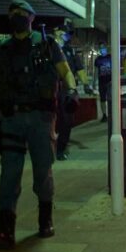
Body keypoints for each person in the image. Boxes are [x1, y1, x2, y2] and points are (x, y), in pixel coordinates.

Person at [0, 0, 79, 249]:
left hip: (40, 118)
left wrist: (72, 90)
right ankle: (6, 231)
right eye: (12, 12)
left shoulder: (46, 43)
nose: (16, 15)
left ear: (32, 17)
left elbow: (65, 70)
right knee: (9, 173)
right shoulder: (2, 48)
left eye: (21, 12)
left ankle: (45, 222)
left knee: (42, 171)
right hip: (11, 119)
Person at [53, 24, 93, 160]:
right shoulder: (47, 48)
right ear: (57, 32)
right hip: (49, 88)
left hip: (66, 90)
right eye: (66, 33)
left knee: (67, 120)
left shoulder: (70, 51)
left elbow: (80, 69)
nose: (68, 36)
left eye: (69, 34)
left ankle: (60, 149)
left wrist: (86, 84)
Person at [93, 42, 112, 122]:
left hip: (110, 81)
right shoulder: (98, 59)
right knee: (103, 99)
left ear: (106, 48)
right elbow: (96, 71)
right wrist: (94, 82)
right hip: (102, 81)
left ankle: (111, 114)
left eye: (103, 47)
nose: (102, 49)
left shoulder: (110, 57)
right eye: (100, 48)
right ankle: (104, 114)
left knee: (111, 98)